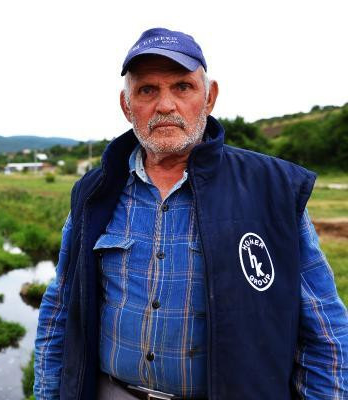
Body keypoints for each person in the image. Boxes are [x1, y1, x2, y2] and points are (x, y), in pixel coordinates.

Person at [33, 27, 348, 400]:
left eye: (182, 87)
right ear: (126, 105)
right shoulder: (95, 192)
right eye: (147, 90)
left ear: (209, 97)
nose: (165, 105)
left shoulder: (273, 190)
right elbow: (59, 306)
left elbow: (326, 332)